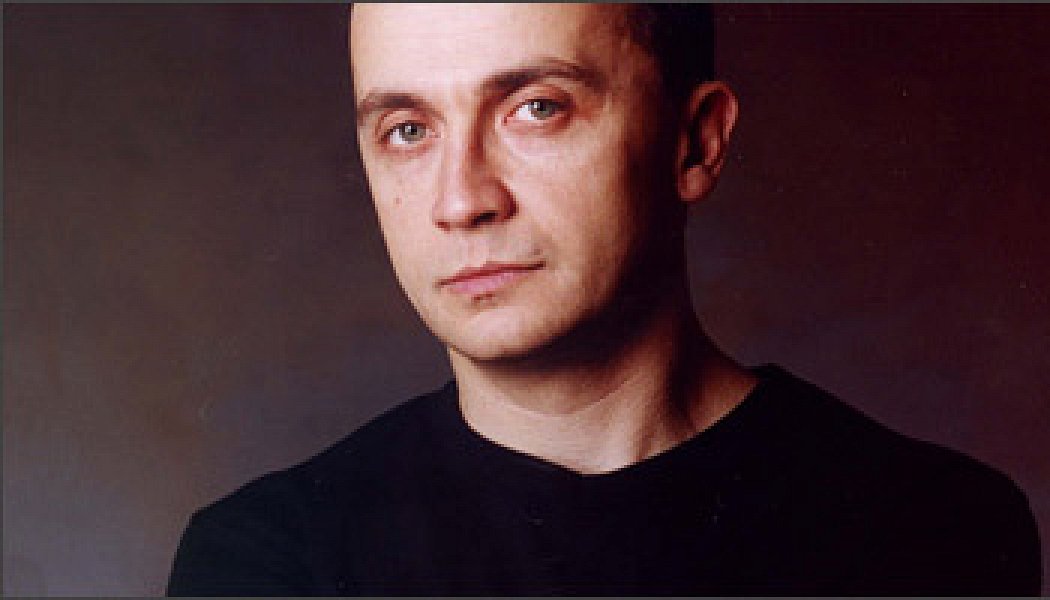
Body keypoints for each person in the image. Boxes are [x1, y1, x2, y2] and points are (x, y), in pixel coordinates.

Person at [166, 3, 1041, 595]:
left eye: (536, 108)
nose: (460, 199)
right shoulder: (267, 560)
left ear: (695, 143)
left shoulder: (932, 529)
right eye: (407, 130)